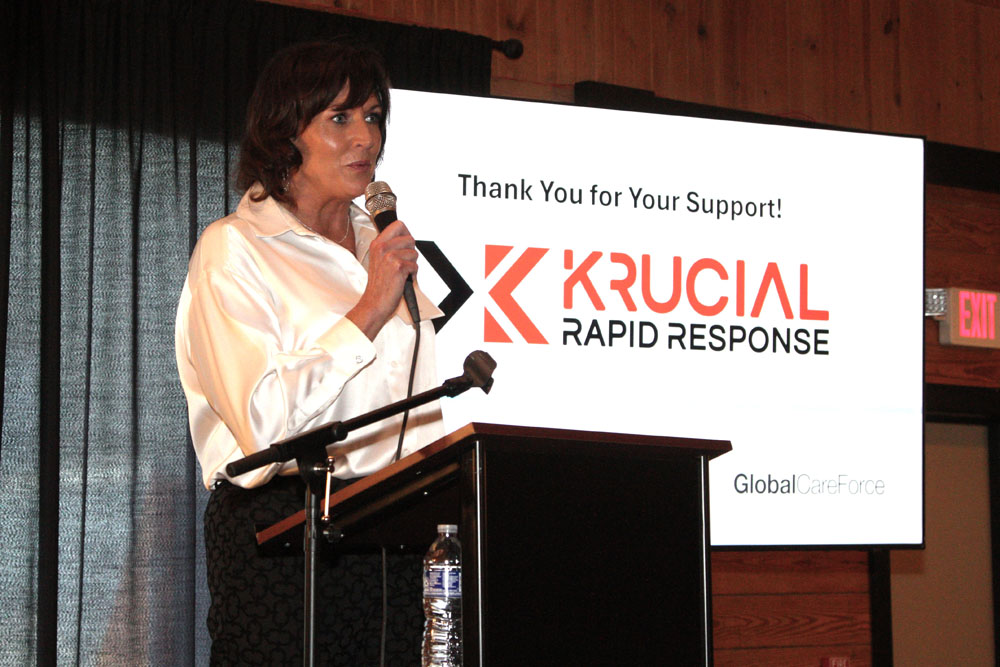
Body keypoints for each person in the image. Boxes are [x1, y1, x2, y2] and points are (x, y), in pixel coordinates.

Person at [174, 40, 444, 665]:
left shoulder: (381, 247)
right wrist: (369, 309)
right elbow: (260, 421)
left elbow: (415, 406)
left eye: (373, 116)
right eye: (339, 118)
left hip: (393, 529)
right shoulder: (235, 250)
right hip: (282, 527)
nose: (365, 138)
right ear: (284, 133)